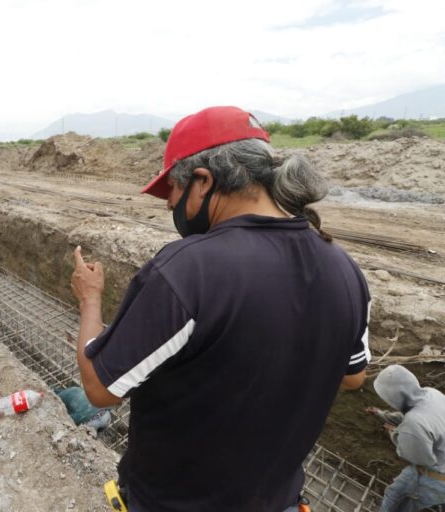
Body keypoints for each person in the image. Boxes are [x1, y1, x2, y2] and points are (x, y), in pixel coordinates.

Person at [71, 106, 371, 512]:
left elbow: (99, 388)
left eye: (172, 191)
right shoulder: (345, 268)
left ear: (203, 181)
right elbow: (352, 377)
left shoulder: (188, 269)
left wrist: (90, 299)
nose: (168, 205)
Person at [368, 365, 445, 511]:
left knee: (396, 500)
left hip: (436, 476)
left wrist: (395, 433)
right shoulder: (431, 393)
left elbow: (418, 458)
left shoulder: (414, 424)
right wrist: (381, 414)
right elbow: (409, 417)